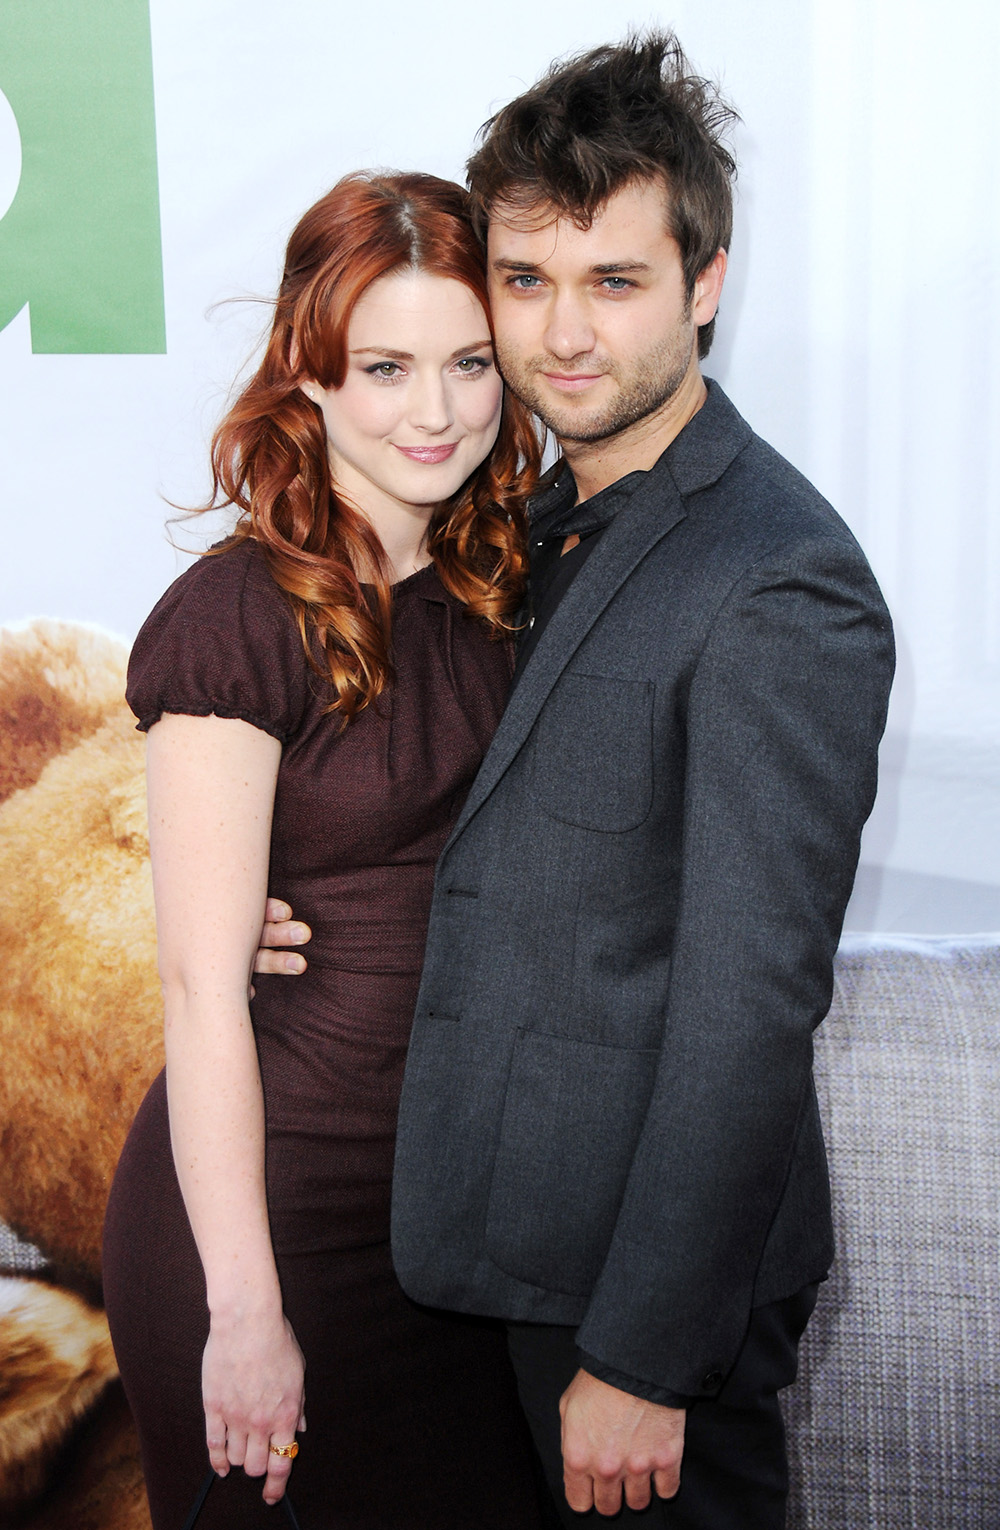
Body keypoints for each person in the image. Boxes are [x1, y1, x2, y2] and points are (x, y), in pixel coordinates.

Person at [256, 33, 895, 1530]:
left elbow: (748, 1001)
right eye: (527, 281)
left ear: (707, 284)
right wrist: (284, 896)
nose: (562, 334)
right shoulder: (520, 521)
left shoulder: (779, 579)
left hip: (630, 1305)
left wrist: (644, 1354)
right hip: (470, 1255)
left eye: (615, 281)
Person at [101, 170, 551, 1529]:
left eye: (471, 362)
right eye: (386, 366)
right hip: (273, 1217)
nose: (436, 410)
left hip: (454, 1224)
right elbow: (199, 988)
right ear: (308, 377)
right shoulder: (236, 615)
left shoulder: (513, 587)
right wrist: (245, 1311)